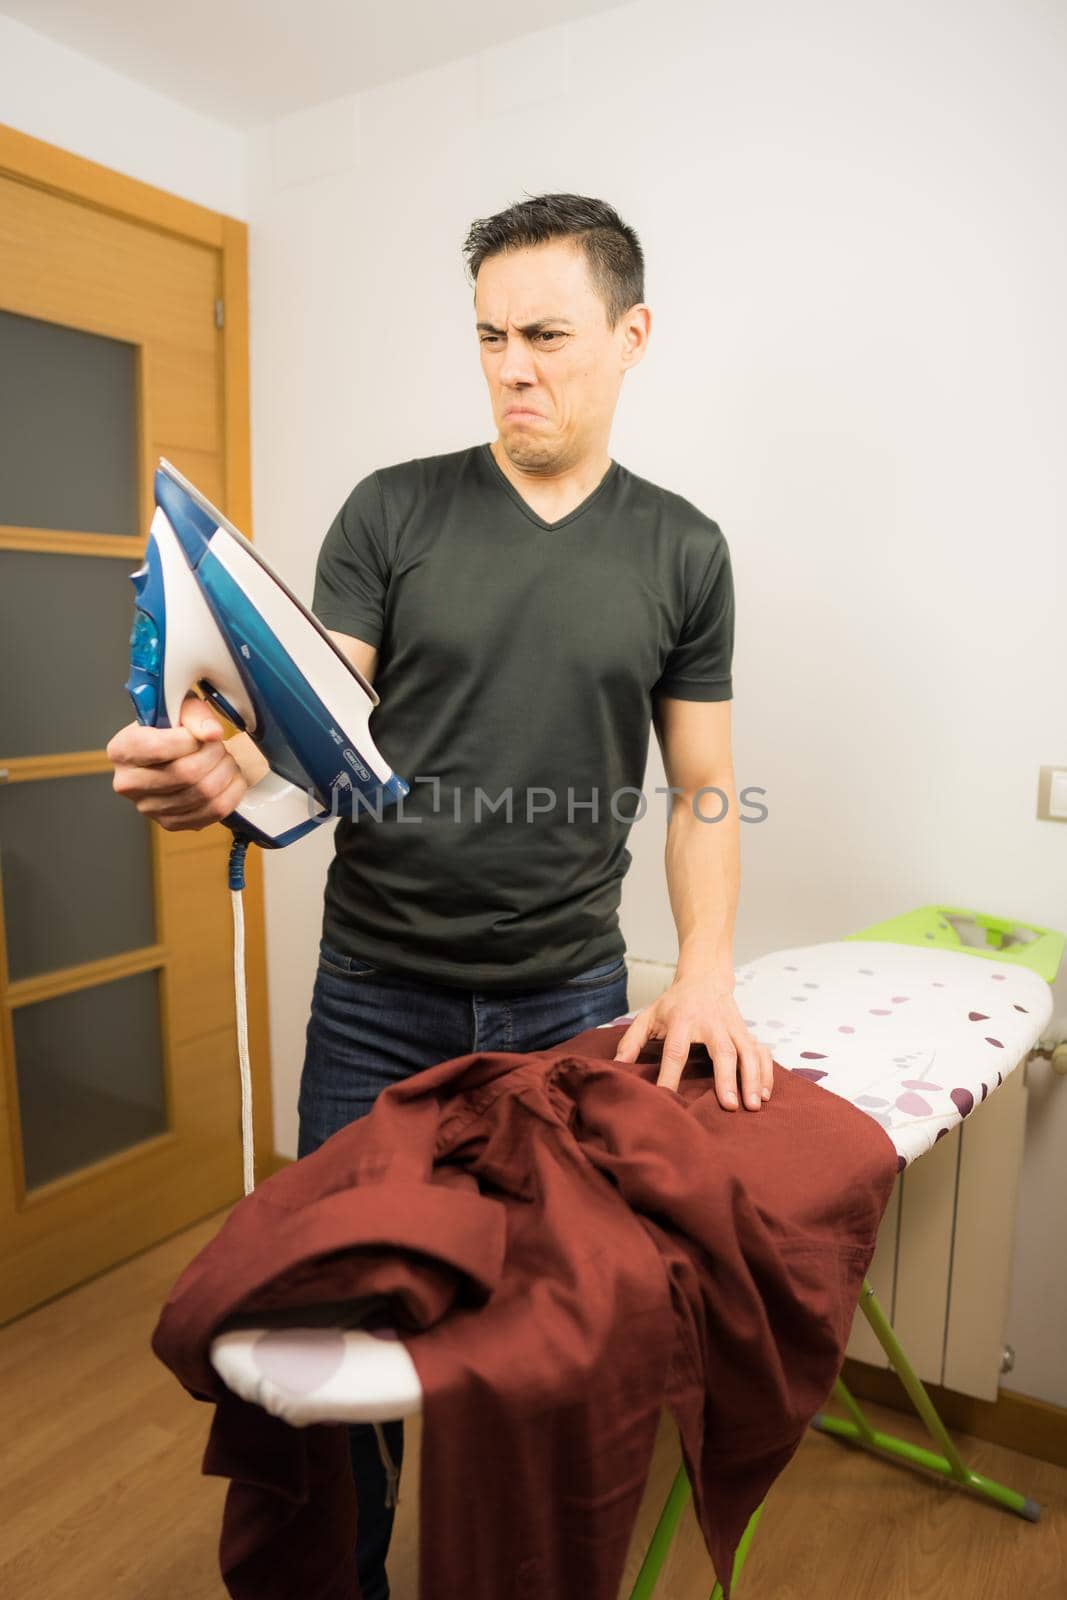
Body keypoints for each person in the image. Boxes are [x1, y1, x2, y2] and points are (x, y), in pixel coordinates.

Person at [107, 192, 774, 1600]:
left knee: (530, 1341)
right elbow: (310, 721)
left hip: (568, 1002)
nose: (512, 366)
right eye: (488, 336)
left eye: (545, 334)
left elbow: (704, 788)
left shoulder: (684, 550)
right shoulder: (396, 510)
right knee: (339, 1332)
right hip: (375, 998)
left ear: (631, 334)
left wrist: (705, 967)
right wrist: (217, 768)